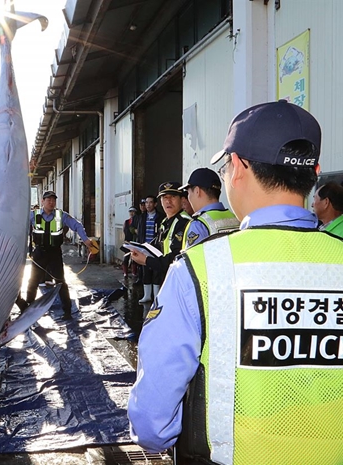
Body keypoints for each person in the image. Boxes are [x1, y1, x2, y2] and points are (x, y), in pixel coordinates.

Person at [128, 100, 343, 464]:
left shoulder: (198, 269)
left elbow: (153, 422)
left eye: (226, 168)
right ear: (314, 173)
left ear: (239, 167)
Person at [25, 190, 97, 320]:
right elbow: (20, 227)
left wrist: (86, 240)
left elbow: (77, 226)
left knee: (60, 282)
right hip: (39, 253)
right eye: (48, 200)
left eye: (53, 200)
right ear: (42, 201)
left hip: (54, 253)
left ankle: (67, 311)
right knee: (33, 281)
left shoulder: (61, 215)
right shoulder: (33, 215)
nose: (51, 202)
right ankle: (27, 310)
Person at [132, 184, 190, 304]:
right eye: (164, 197)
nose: (168, 201)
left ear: (182, 200)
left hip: (179, 282)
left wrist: (147, 260)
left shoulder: (185, 222)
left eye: (173, 196)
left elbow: (175, 257)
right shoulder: (165, 221)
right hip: (167, 277)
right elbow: (158, 245)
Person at [178, 167, 239, 248]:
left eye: (188, 193)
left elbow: (193, 259)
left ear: (197, 191)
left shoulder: (199, 224)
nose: (188, 198)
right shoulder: (235, 217)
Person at [135, 195, 164, 290]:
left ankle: (156, 294)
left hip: (156, 248)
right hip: (144, 247)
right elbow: (139, 233)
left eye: (150, 202)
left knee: (156, 271)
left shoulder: (161, 217)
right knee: (145, 270)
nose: (148, 205)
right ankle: (147, 295)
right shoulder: (142, 217)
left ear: (155, 204)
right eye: (146, 202)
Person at [122, 207, 138, 277]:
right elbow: (124, 230)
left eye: (133, 212)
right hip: (127, 241)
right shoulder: (126, 222)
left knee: (134, 258)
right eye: (130, 212)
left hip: (134, 242)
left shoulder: (138, 221)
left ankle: (134, 272)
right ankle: (125, 273)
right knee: (126, 257)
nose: (132, 213)